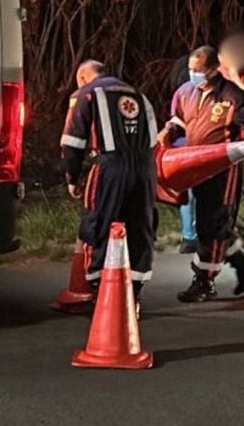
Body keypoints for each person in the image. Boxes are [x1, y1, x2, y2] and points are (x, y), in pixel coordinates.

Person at [160, 27, 244, 303]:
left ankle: (204, 282)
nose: (193, 74)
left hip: (222, 169)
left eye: (198, 69)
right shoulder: (186, 92)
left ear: (212, 70)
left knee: (214, 221)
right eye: (190, 68)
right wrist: (168, 133)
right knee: (209, 222)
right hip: (193, 163)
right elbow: (179, 120)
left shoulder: (231, 95)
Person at [60, 60, 159, 306]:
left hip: (109, 168)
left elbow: (72, 142)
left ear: (83, 77)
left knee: (98, 224)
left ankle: (100, 293)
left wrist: (72, 177)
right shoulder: (140, 95)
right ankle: (134, 293)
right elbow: (154, 140)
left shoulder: (86, 94)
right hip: (145, 169)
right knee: (140, 226)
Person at [169, 46, 219, 254]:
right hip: (200, 147)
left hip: (184, 145)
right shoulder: (201, 91)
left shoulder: (179, 92)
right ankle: (203, 235)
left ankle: (189, 236)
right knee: (208, 192)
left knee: (188, 192)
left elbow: (174, 120)